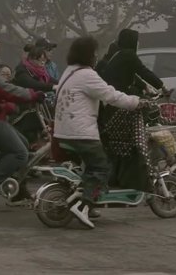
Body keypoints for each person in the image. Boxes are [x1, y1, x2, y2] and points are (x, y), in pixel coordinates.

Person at [54, 36, 143, 229]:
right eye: (94, 52)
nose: (96, 56)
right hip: (80, 132)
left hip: (64, 130)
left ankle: (88, 202)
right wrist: (136, 102)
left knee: (90, 168)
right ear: (88, 54)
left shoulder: (70, 71)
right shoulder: (87, 74)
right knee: (102, 167)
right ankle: (83, 205)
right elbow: (110, 95)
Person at [0, 29, 45, 196]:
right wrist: (32, 94)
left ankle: (17, 190)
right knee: (19, 153)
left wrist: (5, 106)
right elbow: (4, 89)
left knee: (24, 145)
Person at [98, 29, 163, 96]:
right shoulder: (128, 54)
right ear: (131, 41)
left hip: (112, 93)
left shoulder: (118, 53)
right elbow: (144, 72)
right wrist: (162, 87)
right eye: (136, 41)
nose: (138, 43)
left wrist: (144, 86)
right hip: (118, 94)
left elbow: (132, 73)